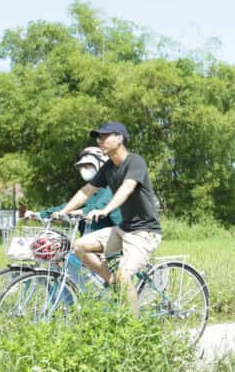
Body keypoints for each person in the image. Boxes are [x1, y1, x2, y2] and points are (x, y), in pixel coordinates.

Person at [55, 121, 161, 315]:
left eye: (104, 136)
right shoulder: (108, 168)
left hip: (144, 232)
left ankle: (133, 329)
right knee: (79, 246)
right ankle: (114, 283)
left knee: (124, 273)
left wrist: (105, 209)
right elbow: (87, 191)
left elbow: (126, 188)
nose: (100, 140)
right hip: (123, 229)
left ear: (119, 138)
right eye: (98, 137)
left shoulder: (135, 161)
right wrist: (63, 212)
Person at [25, 146, 122, 234]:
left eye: (88, 165)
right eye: (82, 167)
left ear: (102, 164)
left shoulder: (113, 183)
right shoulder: (91, 189)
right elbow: (69, 206)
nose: (84, 169)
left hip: (116, 238)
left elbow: (101, 205)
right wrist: (39, 214)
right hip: (91, 236)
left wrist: (80, 212)